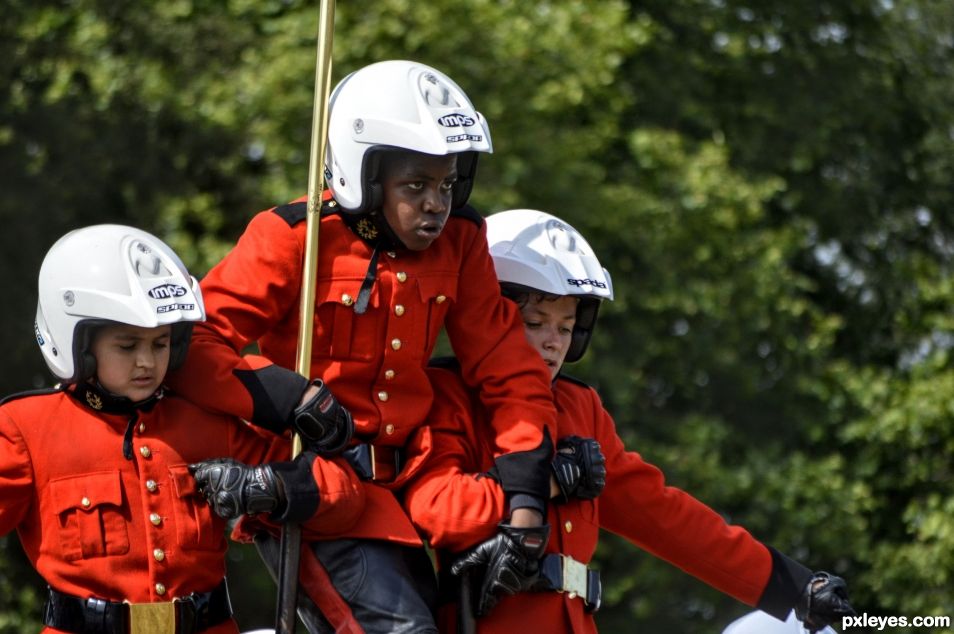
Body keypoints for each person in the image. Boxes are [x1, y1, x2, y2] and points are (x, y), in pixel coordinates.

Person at [168, 60, 557, 633]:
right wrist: (286, 396)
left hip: (418, 489)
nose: (437, 205)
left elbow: (510, 371)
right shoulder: (296, 237)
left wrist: (526, 498)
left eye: (447, 184)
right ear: (364, 174)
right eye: (416, 186)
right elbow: (190, 342)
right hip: (317, 492)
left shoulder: (462, 244)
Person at [403, 209, 857, 633]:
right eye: (535, 321)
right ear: (488, 319)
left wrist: (792, 586)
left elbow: (666, 517)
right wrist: (548, 481)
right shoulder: (446, 395)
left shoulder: (581, 410)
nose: (552, 343)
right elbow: (438, 508)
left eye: (565, 327)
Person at [0, 224, 362, 634]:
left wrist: (274, 487)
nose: (147, 362)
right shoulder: (24, 430)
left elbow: (345, 497)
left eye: (160, 343)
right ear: (74, 342)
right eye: (127, 345)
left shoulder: (206, 422)